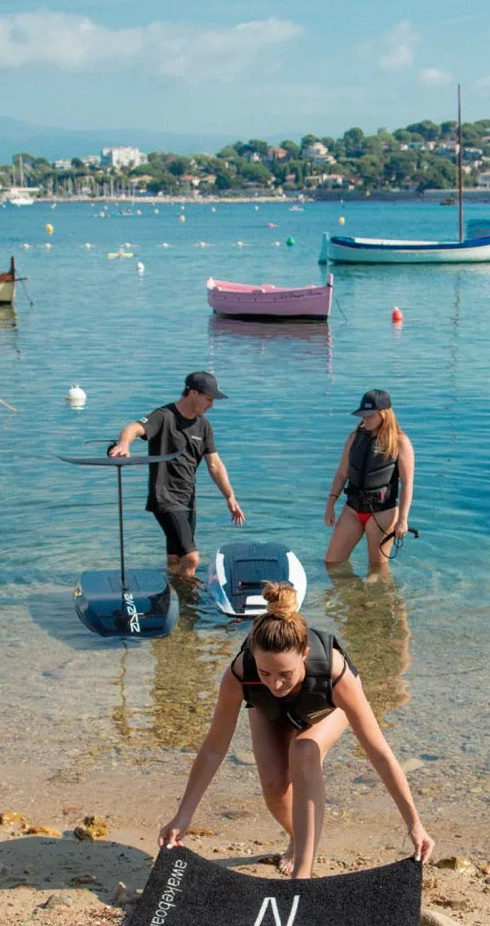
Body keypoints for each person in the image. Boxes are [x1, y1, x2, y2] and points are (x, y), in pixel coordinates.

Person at [158, 581, 434, 879]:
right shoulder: (239, 674)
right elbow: (214, 748)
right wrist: (182, 816)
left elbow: (379, 752)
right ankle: (301, 839)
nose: (275, 684)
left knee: (303, 750)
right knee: (276, 790)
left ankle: (302, 875)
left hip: (324, 706)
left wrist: (414, 823)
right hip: (270, 712)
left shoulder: (336, 674)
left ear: (304, 653)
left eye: (285, 674)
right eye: (265, 673)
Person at [109, 370, 244, 578]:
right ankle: (189, 607)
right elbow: (133, 428)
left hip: (187, 499)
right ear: (192, 393)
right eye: (208, 399)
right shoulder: (164, 416)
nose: (211, 405)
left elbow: (214, 464)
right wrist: (124, 444)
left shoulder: (204, 426)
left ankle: (171, 596)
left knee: (176, 558)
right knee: (192, 558)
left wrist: (229, 496)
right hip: (164, 497)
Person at [324, 389, 414, 569]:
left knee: (377, 571)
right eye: (362, 415)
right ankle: (347, 596)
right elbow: (342, 473)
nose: (365, 419)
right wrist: (330, 505)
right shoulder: (354, 437)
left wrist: (403, 520)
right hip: (353, 509)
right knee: (331, 563)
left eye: (369, 415)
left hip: (382, 513)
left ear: (384, 414)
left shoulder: (399, 442)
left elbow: (407, 482)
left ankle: (380, 598)